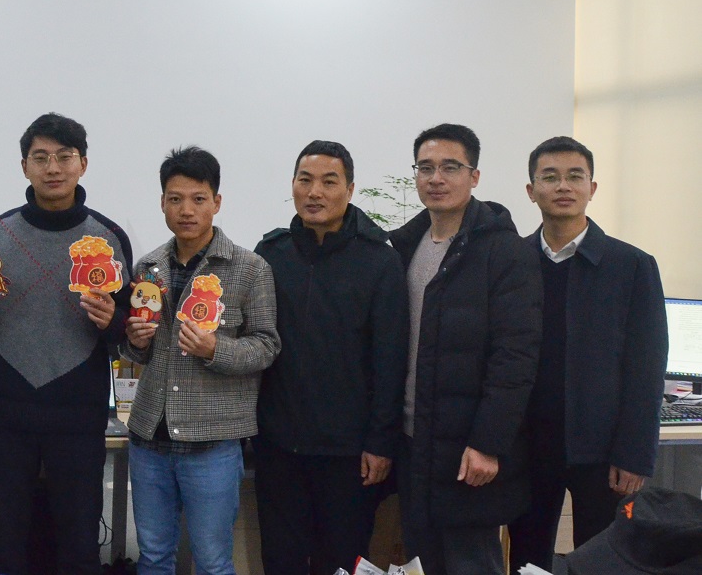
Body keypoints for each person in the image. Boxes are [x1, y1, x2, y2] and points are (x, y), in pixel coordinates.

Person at [0, 113, 132, 575]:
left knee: (78, 542)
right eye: (41, 157)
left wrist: (112, 321)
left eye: (64, 157)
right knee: (2, 538)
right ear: (24, 167)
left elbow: (127, 330)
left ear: (83, 164)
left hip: (79, 411)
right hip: (7, 410)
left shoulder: (108, 238)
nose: (53, 168)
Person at [506, 136, 668, 571]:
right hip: (526, 445)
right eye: (550, 177)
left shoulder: (631, 265)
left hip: (602, 450)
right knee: (527, 559)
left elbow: (647, 367)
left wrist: (634, 454)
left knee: (601, 559)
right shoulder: (512, 262)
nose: (563, 186)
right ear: (531, 190)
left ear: (591, 188)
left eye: (575, 176)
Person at [387, 123, 541, 575]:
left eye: (450, 167)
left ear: (474, 176)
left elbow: (515, 356)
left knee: (471, 561)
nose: (436, 178)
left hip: (468, 448)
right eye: (426, 168)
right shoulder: (403, 247)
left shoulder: (504, 252)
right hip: (413, 441)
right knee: (420, 562)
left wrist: (487, 444)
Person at [121, 146, 280, 575]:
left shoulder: (249, 269)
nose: (186, 210)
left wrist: (215, 349)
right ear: (162, 203)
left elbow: (267, 346)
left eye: (198, 199)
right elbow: (137, 351)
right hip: (149, 437)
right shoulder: (149, 267)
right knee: (153, 557)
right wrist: (134, 341)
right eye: (175, 199)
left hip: (212, 442)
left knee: (212, 562)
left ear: (217, 202)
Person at [253, 140, 408, 575]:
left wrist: (380, 443)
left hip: (348, 453)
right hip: (278, 446)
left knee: (339, 562)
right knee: (279, 560)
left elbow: (391, 360)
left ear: (350, 190)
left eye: (328, 182)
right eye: (305, 180)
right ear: (293, 185)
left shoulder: (379, 261)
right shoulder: (271, 254)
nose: (314, 192)